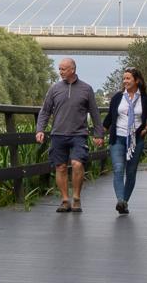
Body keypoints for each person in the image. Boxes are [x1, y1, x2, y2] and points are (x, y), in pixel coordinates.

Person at [35, 57, 103, 213]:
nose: (60, 72)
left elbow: (94, 113)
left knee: (78, 164)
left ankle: (77, 197)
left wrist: (98, 134)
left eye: (63, 69)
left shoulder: (86, 89)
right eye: (59, 69)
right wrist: (40, 129)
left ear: (72, 69)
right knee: (61, 167)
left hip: (78, 134)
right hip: (58, 134)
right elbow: (45, 111)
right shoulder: (54, 89)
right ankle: (65, 200)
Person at [102, 67, 147, 214]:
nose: (125, 81)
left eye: (128, 78)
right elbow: (108, 119)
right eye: (124, 78)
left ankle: (124, 202)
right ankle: (120, 200)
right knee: (118, 169)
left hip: (136, 140)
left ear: (137, 80)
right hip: (118, 138)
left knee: (131, 172)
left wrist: (145, 130)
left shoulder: (145, 99)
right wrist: (99, 134)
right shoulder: (117, 98)